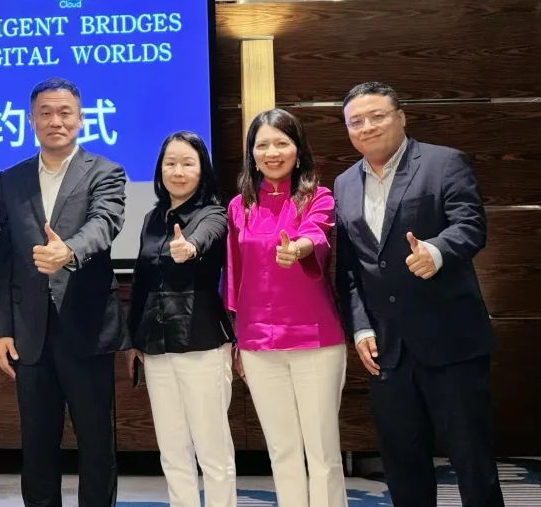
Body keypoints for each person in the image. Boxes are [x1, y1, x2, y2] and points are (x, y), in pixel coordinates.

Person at [334, 82, 504, 507]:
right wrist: (360, 328)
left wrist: (437, 251)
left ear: (401, 117)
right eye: (356, 121)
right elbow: (350, 268)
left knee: (473, 463)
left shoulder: (444, 163)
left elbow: (470, 225)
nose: (367, 127)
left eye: (377, 116)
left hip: (451, 342)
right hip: (387, 351)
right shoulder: (343, 184)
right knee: (402, 467)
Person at [0, 77, 127, 507]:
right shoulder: (10, 180)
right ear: (31, 120)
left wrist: (69, 251)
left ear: (81, 119)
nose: (56, 121)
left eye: (65, 112)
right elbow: (2, 261)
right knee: (37, 443)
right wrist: (0, 329)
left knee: (96, 441)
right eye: (45, 113)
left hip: (87, 329)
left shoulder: (105, 172)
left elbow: (105, 223)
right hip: (31, 333)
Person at [225, 108, 347, 507]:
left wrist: (298, 249)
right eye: (262, 145)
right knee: (282, 450)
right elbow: (235, 276)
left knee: (322, 452)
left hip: (315, 337)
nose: (272, 152)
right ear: (252, 153)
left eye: (282, 143)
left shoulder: (317, 197)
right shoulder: (239, 206)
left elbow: (316, 233)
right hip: (257, 342)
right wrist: (238, 339)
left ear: (298, 150)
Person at [126, 131, 236, 507]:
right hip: (156, 347)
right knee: (172, 449)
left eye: (188, 163)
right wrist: (133, 341)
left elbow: (206, 237)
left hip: (202, 342)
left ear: (202, 169)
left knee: (212, 450)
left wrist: (188, 247)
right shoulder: (152, 219)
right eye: (170, 163)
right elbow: (141, 282)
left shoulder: (214, 213)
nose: (178, 171)